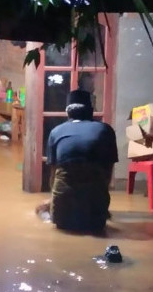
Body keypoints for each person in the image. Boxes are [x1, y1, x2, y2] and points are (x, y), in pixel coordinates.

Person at [37, 89, 118, 233]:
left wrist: (52, 201)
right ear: (90, 111)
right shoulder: (105, 130)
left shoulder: (57, 132)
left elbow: (53, 175)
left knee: (41, 210)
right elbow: (108, 172)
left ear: (68, 112)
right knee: (100, 222)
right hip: (96, 213)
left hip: (63, 212)